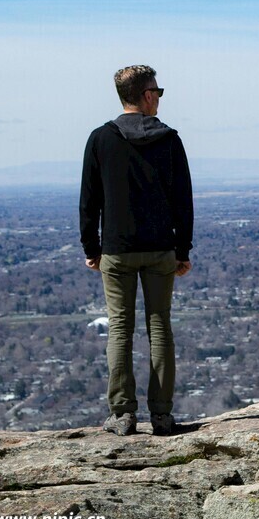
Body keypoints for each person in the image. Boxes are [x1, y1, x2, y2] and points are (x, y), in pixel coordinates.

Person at [79, 65, 193, 436]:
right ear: (146, 95)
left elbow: (89, 199)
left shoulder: (100, 139)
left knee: (120, 328)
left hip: (117, 250)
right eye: (157, 91)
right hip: (161, 249)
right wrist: (182, 248)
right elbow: (183, 200)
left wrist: (91, 247)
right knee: (159, 327)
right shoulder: (170, 139)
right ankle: (161, 415)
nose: (159, 97)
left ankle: (123, 414)